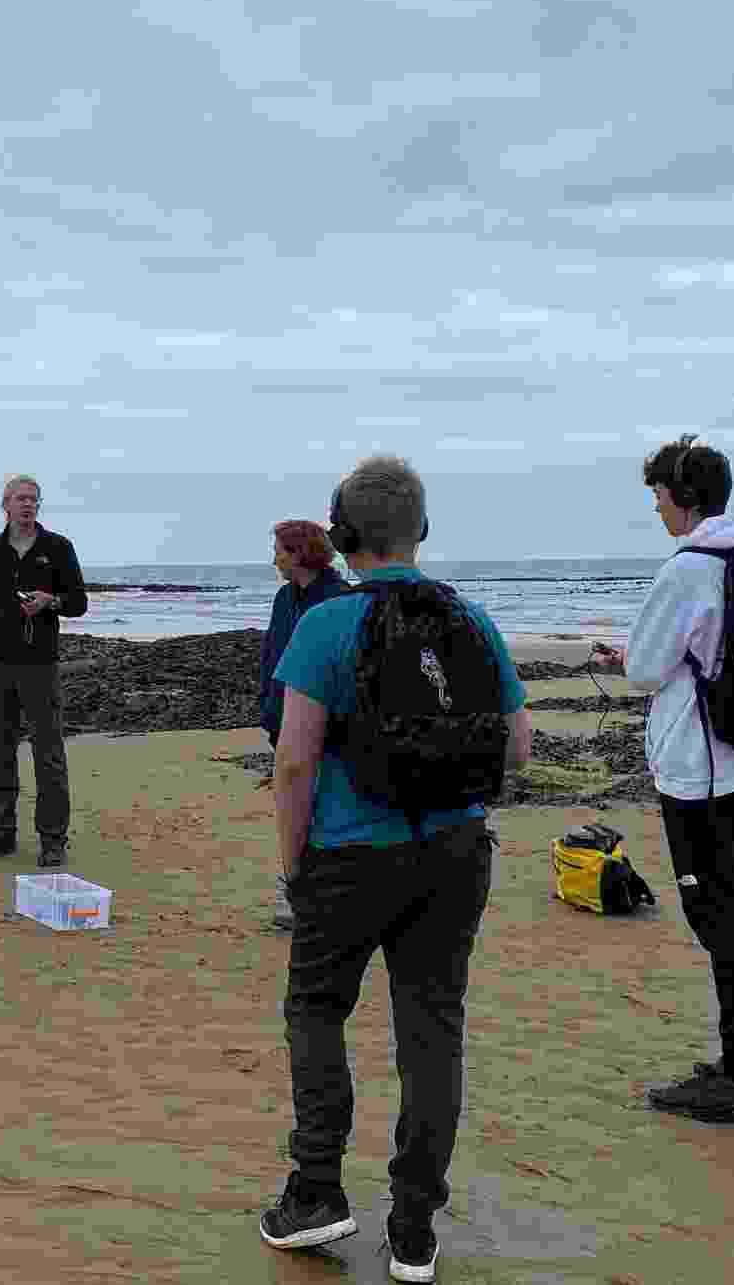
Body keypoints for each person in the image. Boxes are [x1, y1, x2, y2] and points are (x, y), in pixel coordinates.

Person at [260, 455, 531, 1284]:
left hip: (347, 855)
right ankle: (413, 1229)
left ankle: (316, 1192)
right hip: (453, 856)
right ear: (421, 527)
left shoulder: (326, 624)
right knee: (431, 1032)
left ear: (342, 537)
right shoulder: (472, 620)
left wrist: (291, 865)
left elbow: (294, 763)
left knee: (316, 1008)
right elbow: (517, 748)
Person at [588, 435, 734, 1125]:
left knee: (719, 917)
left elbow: (650, 673)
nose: (656, 508)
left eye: (658, 495)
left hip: (696, 768)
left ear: (682, 497)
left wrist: (630, 657)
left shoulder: (688, 569)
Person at [0, 474, 86, 868]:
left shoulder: (58, 547)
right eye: (21, 499)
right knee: (0, 751)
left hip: (41, 663)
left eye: (34, 500)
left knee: (49, 755)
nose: (28, 505)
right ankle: (2, 834)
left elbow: (78, 602)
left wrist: (50, 601)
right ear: (5, 505)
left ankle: (53, 840)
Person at [258, 519, 349, 931]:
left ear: (298, 552)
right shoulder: (284, 598)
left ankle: (315, 894)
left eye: (279, 549)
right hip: (283, 722)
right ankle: (296, 889)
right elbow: (272, 657)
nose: (274, 557)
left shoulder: (339, 599)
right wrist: (267, 709)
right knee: (292, 808)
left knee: (325, 810)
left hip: (331, 729)